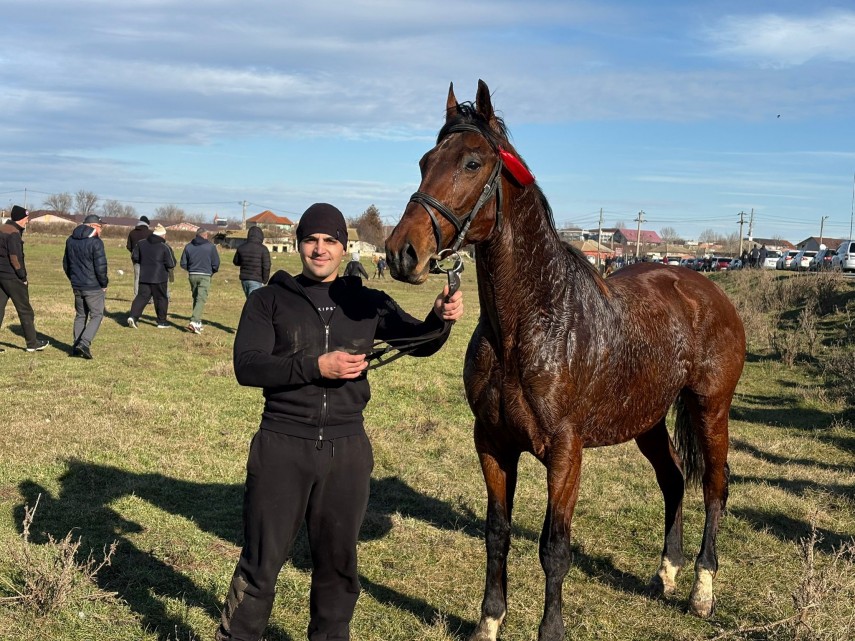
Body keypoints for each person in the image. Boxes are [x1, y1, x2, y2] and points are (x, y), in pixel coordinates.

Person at [216, 203, 464, 641]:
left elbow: (418, 341)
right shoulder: (267, 300)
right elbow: (247, 366)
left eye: (330, 240)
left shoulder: (365, 301)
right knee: (261, 564)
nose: (320, 249)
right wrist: (316, 366)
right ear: (299, 245)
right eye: (311, 239)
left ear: (342, 246)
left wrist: (439, 318)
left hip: (347, 451)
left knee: (338, 566)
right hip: (282, 445)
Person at [0, 205, 49, 353]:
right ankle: (32, 343)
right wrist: (23, 276)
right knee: (25, 310)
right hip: (12, 277)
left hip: (0, 275)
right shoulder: (14, 233)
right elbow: (15, 258)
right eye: (26, 219)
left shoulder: (2, 229)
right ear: (20, 219)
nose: (27, 222)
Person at [62, 214, 108, 359]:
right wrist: (104, 284)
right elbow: (100, 267)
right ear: (93, 226)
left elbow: (66, 264)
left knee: (81, 315)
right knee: (97, 315)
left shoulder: (70, 240)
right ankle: (84, 343)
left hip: (77, 285)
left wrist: (73, 279)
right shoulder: (96, 242)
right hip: (93, 287)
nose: (101, 230)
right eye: (100, 227)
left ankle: (76, 346)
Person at [128, 224, 175, 329]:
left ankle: (133, 317)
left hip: (144, 276)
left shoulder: (141, 244)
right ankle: (161, 322)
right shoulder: (165, 247)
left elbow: (135, 257)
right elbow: (171, 263)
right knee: (161, 298)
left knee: (141, 297)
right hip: (160, 277)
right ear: (162, 235)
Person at [180, 228, 220, 333]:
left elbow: (183, 263)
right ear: (205, 235)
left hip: (192, 275)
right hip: (205, 275)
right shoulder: (211, 247)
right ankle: (193, 321)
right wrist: (212, 271)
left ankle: (197, 322)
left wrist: (191, 269)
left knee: (196, 298)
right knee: (201, 298)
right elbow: (216, 263)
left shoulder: (188, 246)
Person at [233, 226, 270, 298]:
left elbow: (236, 262)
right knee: (254, 303)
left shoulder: (241, 247)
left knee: (250, 300)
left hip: (244, 279)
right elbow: (266, 266)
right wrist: (265, 280)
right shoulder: (263, 249)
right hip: (256, 279)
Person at [126, 215, 153, 295]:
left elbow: (128, 246)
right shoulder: (150, 233)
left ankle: (136, 296)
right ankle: (148, 296)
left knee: (137, 278)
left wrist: (134, 252)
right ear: (147, 224)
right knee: (149, 278)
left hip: (136, 259)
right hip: (149, 259)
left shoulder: (132, 233)